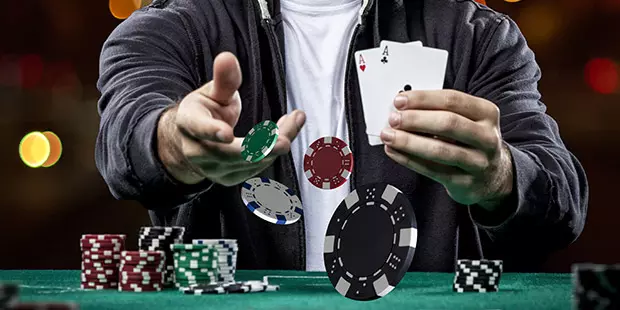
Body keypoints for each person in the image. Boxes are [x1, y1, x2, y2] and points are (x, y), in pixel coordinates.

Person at [95, 0, 589, 272]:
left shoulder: (475, 35)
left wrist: (501, 177)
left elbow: (562, 202)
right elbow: (125, 136)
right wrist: (171, 144)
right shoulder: (173, 27)